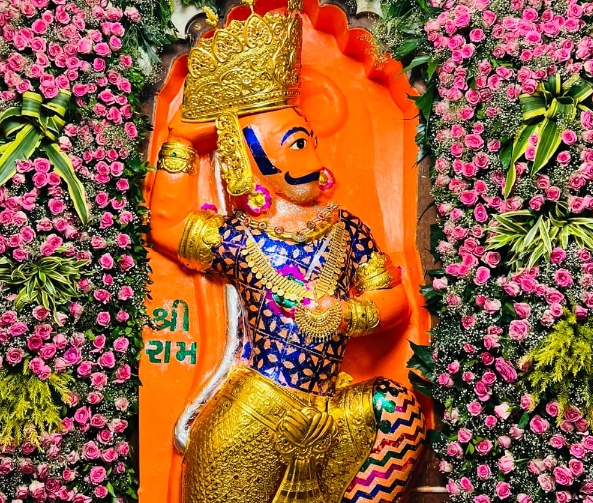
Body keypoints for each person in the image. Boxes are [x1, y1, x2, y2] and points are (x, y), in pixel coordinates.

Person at [148, 2, 425, 502]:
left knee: (398, 410)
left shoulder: (345, 230)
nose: (313, 158)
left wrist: (347, 313)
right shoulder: (240, 239)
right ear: (249, 159)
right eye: (296, 145)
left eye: (310, 141)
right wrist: (181, 141)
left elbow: (395, 302)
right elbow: (168, 226)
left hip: (328, 414)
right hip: (252, 415)